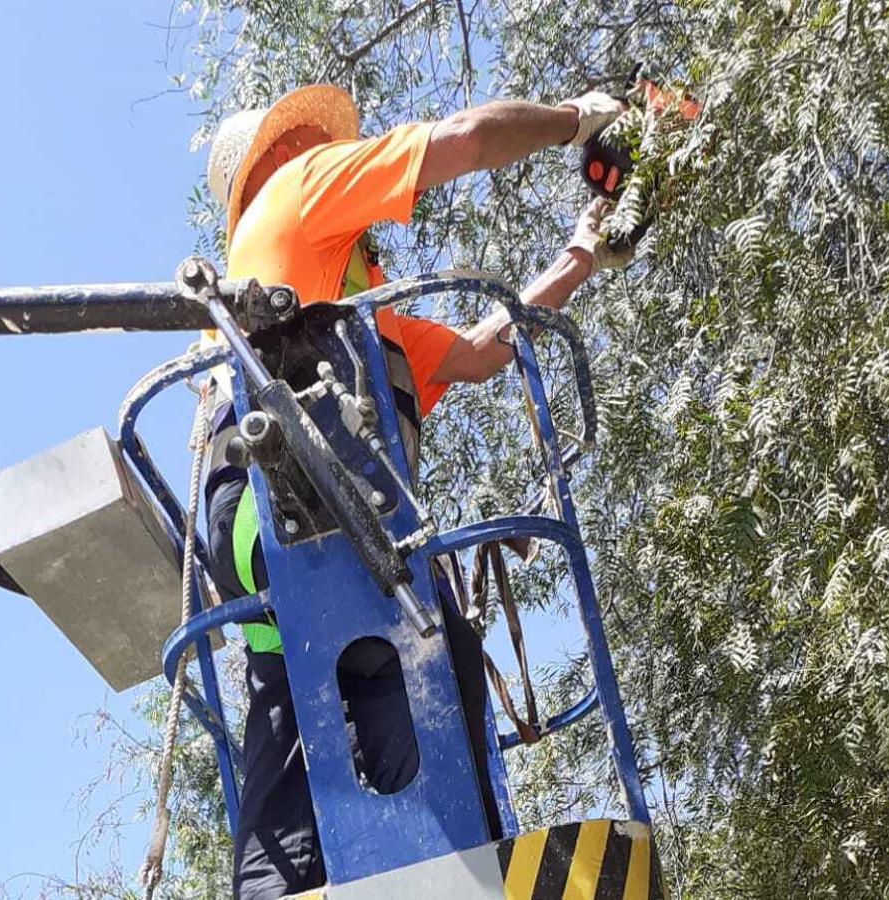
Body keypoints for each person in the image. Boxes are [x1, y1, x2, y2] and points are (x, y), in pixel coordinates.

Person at [200, 83, 634, 900]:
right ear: (277, 158)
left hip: (283, 588)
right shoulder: (299, 191)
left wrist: (582, 253)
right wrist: (582, 114)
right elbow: (465, 140)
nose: (322, 150)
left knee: (299, 753)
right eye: (302, 140)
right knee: (435, 657)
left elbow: (475, 353)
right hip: (323, 536)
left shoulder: (352, 310)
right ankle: (452, 863)